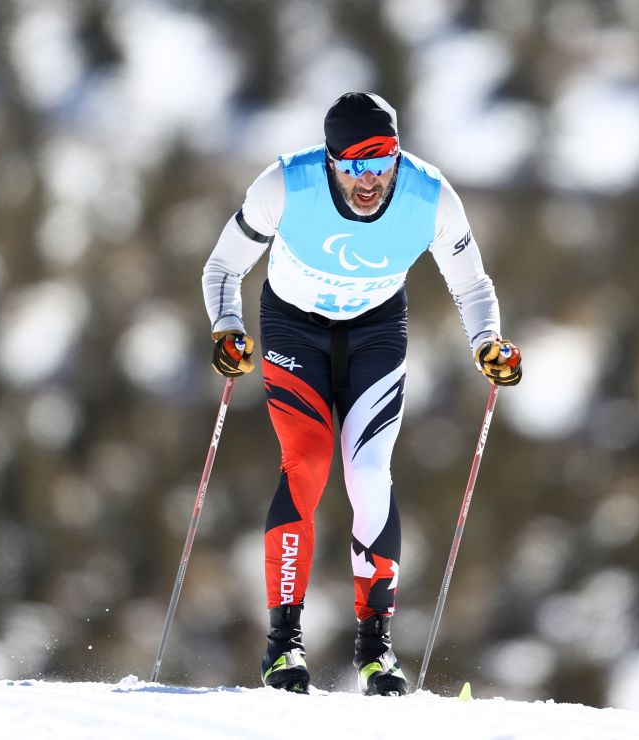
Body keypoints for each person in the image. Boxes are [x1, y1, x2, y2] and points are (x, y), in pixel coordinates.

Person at [201, 92, 522, 696]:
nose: (369, 181)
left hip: (376, 331)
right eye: (353, 167)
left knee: (370, 472)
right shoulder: (284, 185)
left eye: (381, 164)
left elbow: (472, 284)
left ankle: (376, 651)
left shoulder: (430, 197)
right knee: (308, 463)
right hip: (295, 327)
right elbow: (222, 267)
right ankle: (283, 647)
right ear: (329, 162)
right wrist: (228, 331)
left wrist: (487, 343)